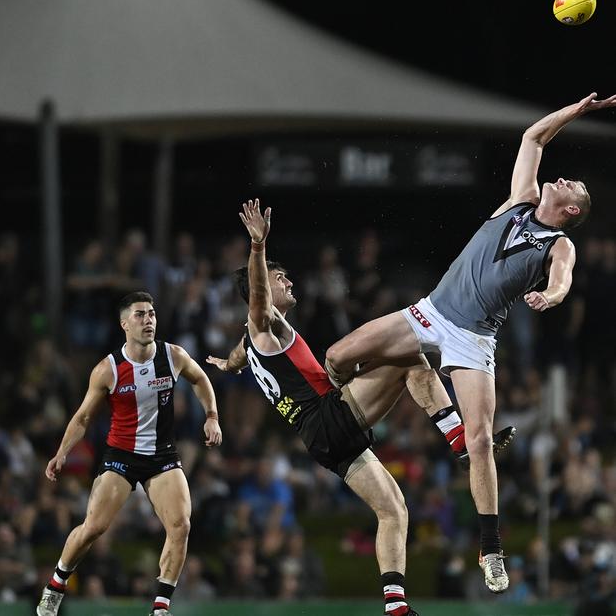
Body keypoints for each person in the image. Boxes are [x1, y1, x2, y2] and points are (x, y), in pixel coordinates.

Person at [325, 92, 616, 594]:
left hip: (473, 339)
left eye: (576, 187)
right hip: (430, 312)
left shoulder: (559, 242)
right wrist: (577, 111)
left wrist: (551, 295)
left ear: (569, 209)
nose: (567, 178)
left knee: (481, 443)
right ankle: (344, 420)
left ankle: (491, 548)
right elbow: (533, 137)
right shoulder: (520, 201)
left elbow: (564, 277)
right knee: (335, 357)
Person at [207, 200, 511, 616]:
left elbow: (240, 352)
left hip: (321, 442)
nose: (290, 282)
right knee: (410, 359)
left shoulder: (251, 341)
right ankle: (460, 440)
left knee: (394, 509)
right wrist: (258, 247)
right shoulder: (266, 323)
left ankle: (396, 606)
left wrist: (229, 363)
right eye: (282, 278)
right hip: (326, 414)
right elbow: (258, 304)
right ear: (263, 287)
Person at [36, 291, 222, 616]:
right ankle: (56, 584)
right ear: (124, 323)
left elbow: (200, 378)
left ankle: (160, 608)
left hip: (162, 457)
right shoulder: (107, 370)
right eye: (140, 315)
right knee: (93, 527)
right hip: (121, 456)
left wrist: (212, 417)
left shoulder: (173, 355)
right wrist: (62, 453)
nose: (148, 320)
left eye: (151, 313)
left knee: (181, 526)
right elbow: (82, 418)